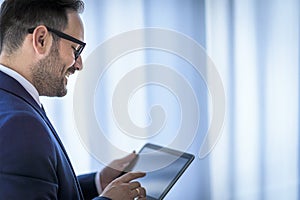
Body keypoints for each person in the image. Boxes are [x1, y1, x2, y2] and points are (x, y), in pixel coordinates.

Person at [0, 0, 146, 199]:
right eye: (76, 49)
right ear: (41, 39)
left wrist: (99, 183)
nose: (79, 65)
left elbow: (37, 187)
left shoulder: (13, 103)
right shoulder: (20, 124)